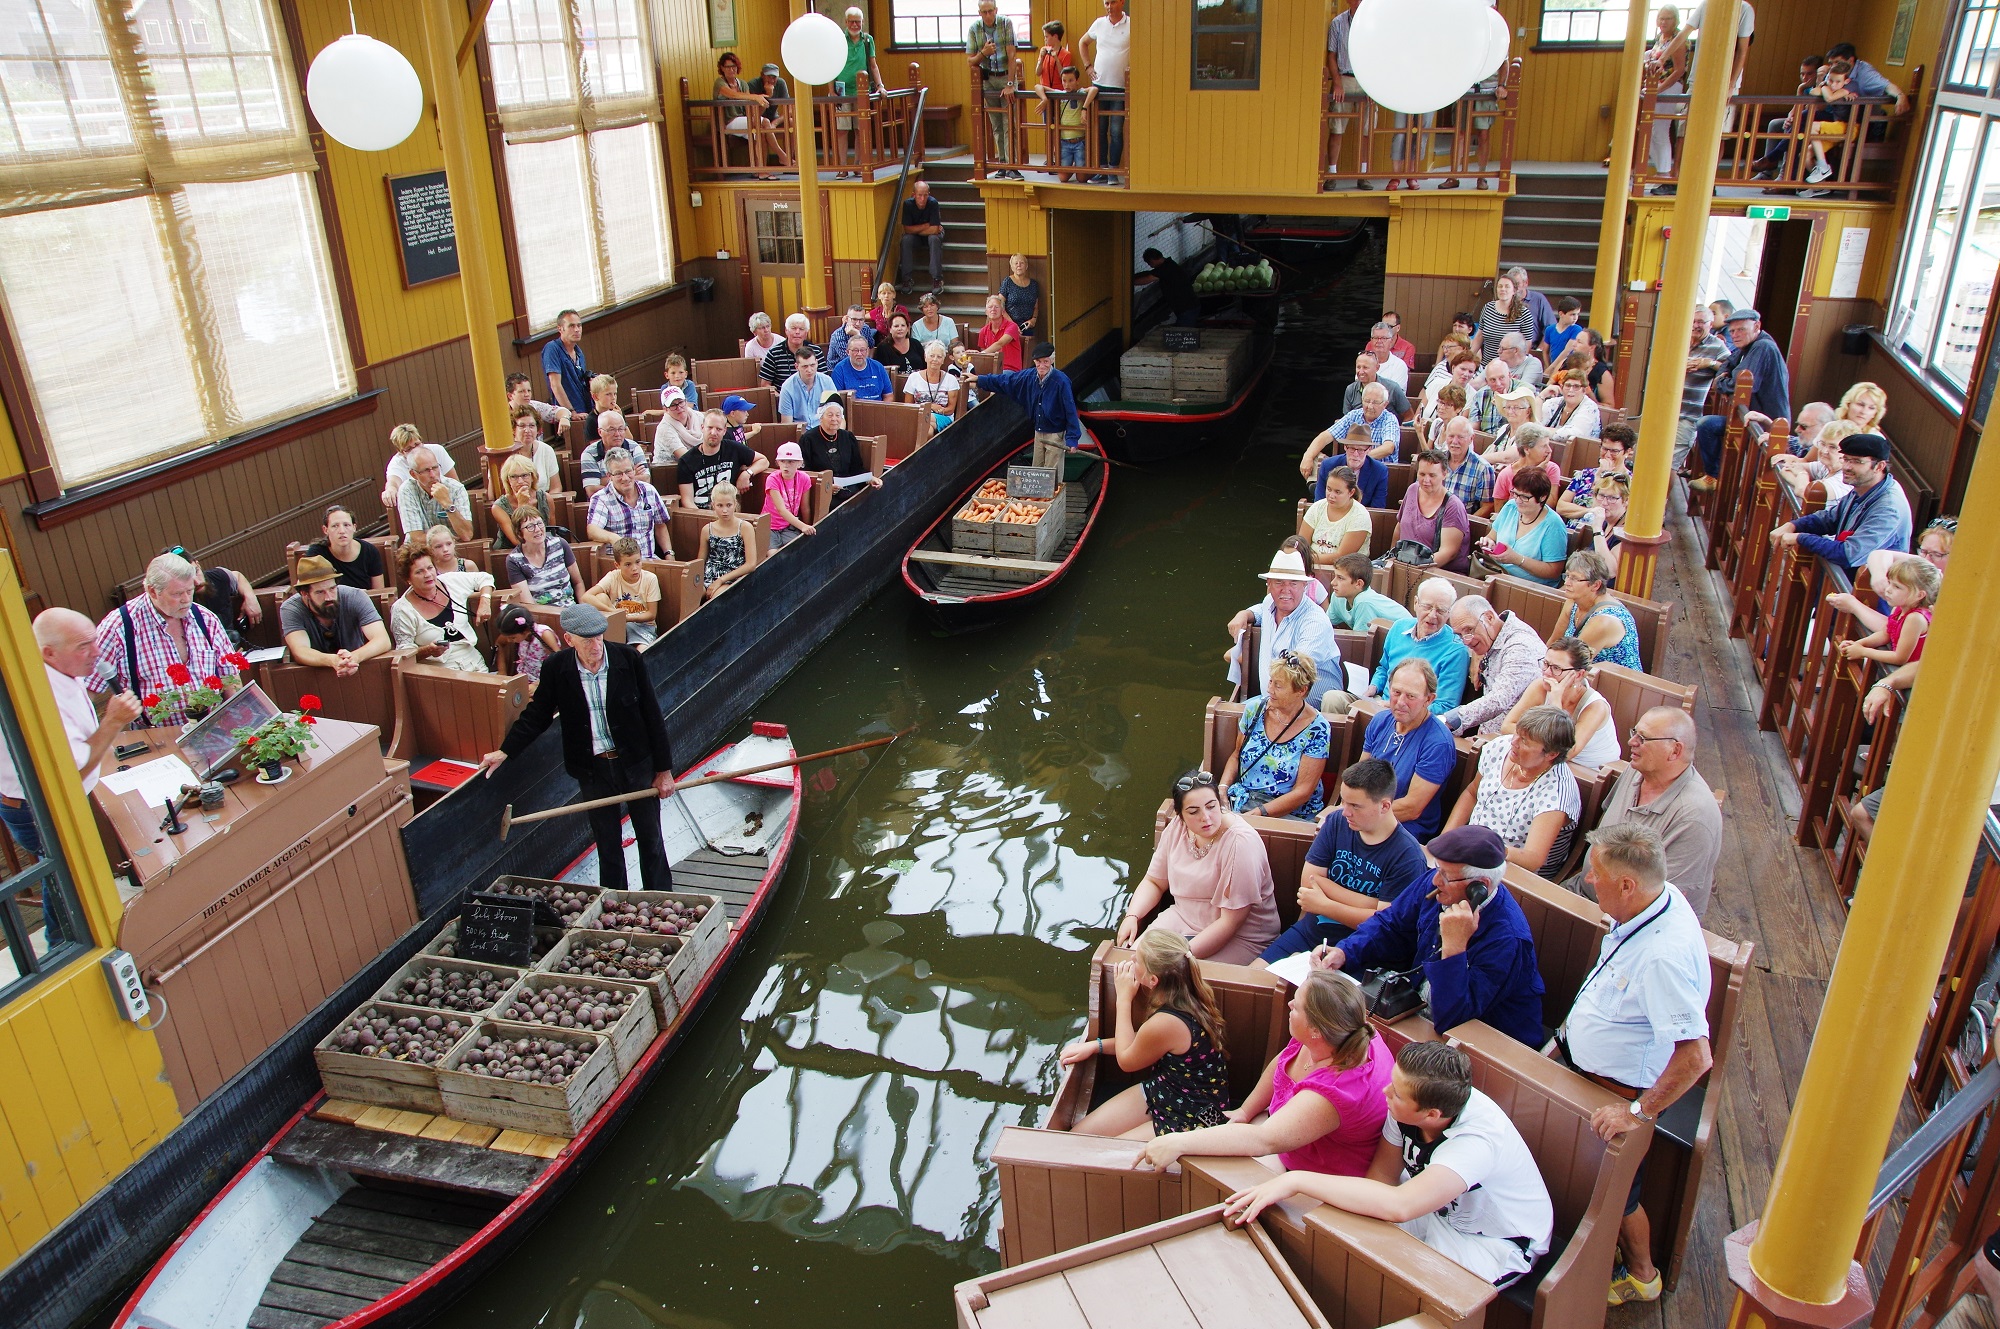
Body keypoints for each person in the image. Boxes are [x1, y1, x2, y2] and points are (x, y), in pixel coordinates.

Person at [1221, 1040, 1554, 1288]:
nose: (1385, 1092)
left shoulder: (1476, 1143)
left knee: (1402, 1286)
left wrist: (1294, 1182)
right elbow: (1381, 1179)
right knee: (1340, 1237)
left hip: (1494, 1241)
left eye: (1396, 1093)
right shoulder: (1406, 1107)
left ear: (1431, 1115)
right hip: (1434, 1210)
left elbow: (1399, 1206)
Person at [1554, 822, 1713, 1306]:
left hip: (1620, 1091)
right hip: (1592, 1070)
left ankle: (1643, 1275)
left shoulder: (1663, 956)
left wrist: (1638, 1114)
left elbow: (1695, 1057)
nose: (1586, 880)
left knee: (1618, 1197)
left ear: (1628, 884)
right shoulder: (1653, 898)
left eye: (1595, 873)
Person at [480, 603, 676, 893]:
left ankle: (660, 898)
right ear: (569, 640)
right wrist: (505, 750)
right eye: (587, 640)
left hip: (635, 764)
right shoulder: (556, 668)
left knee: (651, 840)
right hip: (593, 770)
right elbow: (538, 715)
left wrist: (663, 771)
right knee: (608, 844)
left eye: (598, 637)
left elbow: (652, 715)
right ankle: (615, 904)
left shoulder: (628, 659)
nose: (596, 645)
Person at [1141, 969, 1393, 1179]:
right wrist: (1245, 1111)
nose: (1291, 1004)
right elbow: (1282, 1064)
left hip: (1312, 1173)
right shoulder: (1342, 1032)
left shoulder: (1336, 1090)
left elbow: (1265, 1140)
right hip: (1280, 1129)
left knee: (1206, 1173)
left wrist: (1178, 1141)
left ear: (1316, 1029)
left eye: (1297, 1005)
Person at [1316, 824, 1547, 1047]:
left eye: (1446, 875)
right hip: (1419, 1009)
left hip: (1490, 1047)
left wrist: (1454, 948)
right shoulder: (1437, 884)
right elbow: (1390, 923)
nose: (1436, 881)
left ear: (1480, 887)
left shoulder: (1507, 939)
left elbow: (1452, 1019)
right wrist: (1345, 951)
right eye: (1437, 869)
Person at [1059, 928, 1232, 1138]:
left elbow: (1127, 1060)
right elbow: (1143, 1043)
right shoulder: (1186, 991)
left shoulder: (1167, 1022)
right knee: (1077, 1138)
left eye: (1138, 960)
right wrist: (1096, 1045)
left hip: (1193, 1112)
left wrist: (1123, 998)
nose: (1132, 959)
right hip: (1168, 1087)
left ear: (1153, 980)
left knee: (1105, 1154)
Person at [1259, 759, 1429, 963]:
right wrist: (1371, 905)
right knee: (1254, 977)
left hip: (1364, 950)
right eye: (1344, 802)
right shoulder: (1337, 822)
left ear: (1384, 806)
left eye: (1355, 806)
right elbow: (1310, 881)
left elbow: (1384, 922)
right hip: (1310, 932)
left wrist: (1325, 905)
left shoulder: (1407, 856)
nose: (1346, 811)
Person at [0, 609, 141, 855]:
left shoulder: (56, 669)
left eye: (95, 641)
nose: (97, 652)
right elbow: (72, 774)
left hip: (55, 798)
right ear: (49, 652)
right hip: (38, 808)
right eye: (84, 646)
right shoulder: (41, 697)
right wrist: (114, 721)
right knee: (68, 884)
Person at [1116, 769, 1282, 964]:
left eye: (1211, 807)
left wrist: (1179, 957)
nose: (1206, 817)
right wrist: (1132, 916)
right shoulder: (1177, 828)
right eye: (1193, 812)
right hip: (1182, 917)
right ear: (1180, 815)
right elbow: (1154, 881)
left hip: (1240, 935)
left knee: (1163, 971)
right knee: (1130, 962)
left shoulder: (1240, 842)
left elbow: (1231, 922)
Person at [1573, 708, 1722, 915]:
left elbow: (1659, 904)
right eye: (1634, 733)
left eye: (1643, 738)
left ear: (1675, 751)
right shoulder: (1636, 770)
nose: (1631, 742)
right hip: (1581, 892)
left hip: (1628, 923)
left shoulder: (1695, 816)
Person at [91, 553, 240, 724]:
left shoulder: (205, 618)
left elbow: (230, 677)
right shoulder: (119, 627)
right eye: (177, 594)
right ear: (152, 591)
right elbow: (88, 689)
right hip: (156, 737)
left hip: (214, 729)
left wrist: (237, 723)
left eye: (189, 591)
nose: (186, 600)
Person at [1447, 704, 1582, 874]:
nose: (1513, 741)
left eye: (1524, 740)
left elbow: (1533, 858)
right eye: (1517, 733)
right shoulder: (1500, 747)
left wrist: (1489, 849)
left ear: (1551, 754)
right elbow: (1472, 793)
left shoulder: (1556, 792)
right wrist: (1446, 839)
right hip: (1469, 852)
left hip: (1515, 875)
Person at [1769, 431, 1912, 571]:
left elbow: (1848, 555)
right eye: (1846, 459)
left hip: (1867, 591)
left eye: (1857, 461)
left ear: (1879, 466)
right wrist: (1793, 525)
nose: (1847, 467)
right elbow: (1830, 518)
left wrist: (1801, 538)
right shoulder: (1864, 486)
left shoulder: (1888, 508)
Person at [1220, 652, 1332, 821]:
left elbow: (1302, 792)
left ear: (1301, 690)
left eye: (1278, 686)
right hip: (1245, 801)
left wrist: (1257, 814)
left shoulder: (1318, 729)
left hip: (1290, 814)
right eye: (1271, 681)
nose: (1269, 689)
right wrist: (1222, 789)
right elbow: (1236, 756)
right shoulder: (1253, 709)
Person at [1226, 549, 1343, 709]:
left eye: (1293, 583)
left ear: (1305, 586)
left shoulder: (1315, 621)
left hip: (1308, 705)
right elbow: (1261, 610)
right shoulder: (1270, 602)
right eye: (1279, 582)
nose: (1285, 589)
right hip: (1273, 696)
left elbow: (1296, 670)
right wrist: (1244, 614)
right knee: (1231, 715)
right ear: (1269, 584)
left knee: (1241, 717)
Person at [1692, 309, 1791, 487]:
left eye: (1741, 330)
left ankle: (1721, 484)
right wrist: (1724, 378)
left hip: (1766, 425)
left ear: (1757, 327)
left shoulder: (1763, 347)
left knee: (1757, 479)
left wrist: (1722, 382)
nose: (1736, 335)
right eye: (1732, 331)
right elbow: (1727, 366)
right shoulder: (1747, 346)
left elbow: (1741, 384)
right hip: (1750, 419)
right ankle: (1714, 477)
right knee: (1706, 425)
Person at [1362, 659, 1459, 841]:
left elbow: (1412, 808)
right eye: (1396, 692)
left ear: (1429, 700)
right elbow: (1360, 777)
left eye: (1411, 696)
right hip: (1366, 814)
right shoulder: (1380, 721)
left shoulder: (1438, 743)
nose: (1400, 702)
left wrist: (1363, 815)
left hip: (1406, 828)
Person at [1502, 638, 1621, 768]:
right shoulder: (1540, 686)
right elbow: (1507, 726)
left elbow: (1566, 752)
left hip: (1590, 773)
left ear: (1579, 675)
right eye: (1546, 664)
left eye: (1556, 668)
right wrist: (1537, 742)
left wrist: (1555, 703)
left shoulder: (1596, 707)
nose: (1547, 672)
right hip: (1547, 758)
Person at [1442, 596, 1544, 736]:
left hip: (1513, 743)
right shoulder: (1492, 636)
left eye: (1469, 630)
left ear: (1489, 617)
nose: (1466, 641)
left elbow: (1498, 700)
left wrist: (1448, 720)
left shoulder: (1521, 647)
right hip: (1487, 737)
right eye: (1460, 635)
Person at [1370, 581, 1471, 716]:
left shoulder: (1456, 651)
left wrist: (1396, 706)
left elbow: (1445, 706)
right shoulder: (1399, 627)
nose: (1432, 615)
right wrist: (1373, 687)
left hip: (1414, 718)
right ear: (1416, 603)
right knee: (1335, 699)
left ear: (1449, 613)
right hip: (1379, 703)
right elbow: (1383, 668)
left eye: (1441, 610)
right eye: (1427, 607)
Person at [280, 556, 391, 677]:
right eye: (320, 592)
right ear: (305, 594)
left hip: (358, 670)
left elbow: (382, 640)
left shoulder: (355, 596)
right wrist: (332, 661)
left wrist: (354, 658)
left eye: (332, 588)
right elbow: (300, 651)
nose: (329, 597)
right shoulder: (290, 609)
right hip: (315, 676)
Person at [977, 342, 1080, 471]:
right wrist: (979, 380)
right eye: (1038, 361)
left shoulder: (1061, 381)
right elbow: (1006, 381)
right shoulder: (1029, 376)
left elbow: (1070, 410)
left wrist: (1072, 439)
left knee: (1052, 475)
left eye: (1046, 362)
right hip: (1038, 430)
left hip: (1055, 433)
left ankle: (1054, 491)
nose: (1042, 366)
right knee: (1036, 471)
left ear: (1052, 361)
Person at [391, 544, 492, 672]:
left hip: (473, 662)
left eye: (430, 568)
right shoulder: (401, 610)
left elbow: (485, 578)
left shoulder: (450, 581)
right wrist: (427, 651)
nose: (427, 574)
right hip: (438, 672)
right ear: (408, 579)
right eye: (419, 572)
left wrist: (485, 601)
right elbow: (404, 655)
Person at [1839, 554, 1940, 667]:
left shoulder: (1915, 619)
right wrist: (1857, 644)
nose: (1888, 590)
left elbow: (1899, 657)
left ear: (1919, 595)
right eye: (1890, 583)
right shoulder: (1899, 608)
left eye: (1897, 587)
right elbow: (1885, 634)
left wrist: (1863, 652)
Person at [1552, 550, 1642, 672]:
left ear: (1595, 585)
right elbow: (1554, 642)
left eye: (1574, 579)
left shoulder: (1602, 622)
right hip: (1582, 676)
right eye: (1567, 575)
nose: (1566, 583)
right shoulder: (1573, 601)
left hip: (1616, 685)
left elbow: (1572, 665)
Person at [1478, 468, 1567, 587]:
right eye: (1515, 494)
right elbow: (1492, 537)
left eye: (1525, 497)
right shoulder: (1510, 507)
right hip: (1496, 575)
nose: (1518, 500)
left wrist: (1517, 559)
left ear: (1542, 497)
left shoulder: (1554, 525)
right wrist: (1488, 543)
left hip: (1530, 588)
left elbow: (1553, 571)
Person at [1302, 394, 1397, 497]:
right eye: (1367, 401)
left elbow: (1389, 447)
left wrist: (1361, 457)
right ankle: (1320, 486)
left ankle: (1324, 486)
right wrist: (1307, 456)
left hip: (1374, 466)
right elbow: (1326, 435)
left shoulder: (1389, 419)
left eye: (1375, 402)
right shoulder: (1353, 415)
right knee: (1318, 457)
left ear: (1385, 404)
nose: (1370, 406)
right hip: (1347, 463)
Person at [587, 447, 672, 557]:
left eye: (628, 471)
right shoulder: (601, 499)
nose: (625, 478)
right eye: (618, 474)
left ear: (634, 470)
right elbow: (592, 530)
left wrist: (669, 553)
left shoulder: (649, 490)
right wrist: (614, 538)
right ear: (609, 476)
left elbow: (660, 525)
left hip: (649, 559)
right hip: (619, 565)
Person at [676, 409, 767, 513]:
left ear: (724, 431)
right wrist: (705, 519)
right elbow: (687, 501)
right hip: (702, 515)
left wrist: (747, 474)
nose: (713, 432)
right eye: (710, 427)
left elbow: (763, 460)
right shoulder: (686, 460)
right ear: (702, 428)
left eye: (718, 429)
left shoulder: (733, 448)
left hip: (729, 513)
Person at [967, 0, 1019, 175]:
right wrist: (983, 53)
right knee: (996, 124)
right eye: (984, 12)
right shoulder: (974, 28)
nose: (988, 15)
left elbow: (1012, 56)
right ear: (979, 12)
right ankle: (1002, 165)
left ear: (996, 10)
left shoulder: (1006, 23)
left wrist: (1010, 84)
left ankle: (1012, 165)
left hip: (1006, 76)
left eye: (990, 11)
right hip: (988, 79)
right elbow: (970, 61)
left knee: (1008, 123)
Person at [713, 54, 787, 177]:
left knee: (761, 130)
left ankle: (761, 171)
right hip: (728, 122)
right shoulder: (720, 82)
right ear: (722, 68)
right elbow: (733, 95)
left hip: (744, 119)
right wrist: (755, 96)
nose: (731, 70)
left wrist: (766, 96)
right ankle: (782, 156)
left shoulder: (742, 83)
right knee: (764, 122)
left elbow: (752, 112)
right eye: (728, 67)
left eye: (734, 67)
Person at [834, 5, 887, 175]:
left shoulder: (867, 40)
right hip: (841, 92)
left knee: (859, 128)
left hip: (861, 92)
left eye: (858, 22)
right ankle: (842, 167)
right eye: (851, 22)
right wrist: (831, 91)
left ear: (862, 22)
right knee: (842, 130)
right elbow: (831, 66)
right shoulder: (838, 39)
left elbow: (873, 65)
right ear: (846, 22)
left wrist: (880, 85)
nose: (855, 25)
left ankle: (858, 165)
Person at [1081, 0, 1130, 180]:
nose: (1109, 6)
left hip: (1120, 88)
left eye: (1113, 2)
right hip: (1099, 87)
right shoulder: (1099, 23)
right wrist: (1088, 67)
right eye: (1106, 3)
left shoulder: (1131, 24)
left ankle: (1113, 171)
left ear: (1122, 2)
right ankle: (1102, 170)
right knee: (1100, 130)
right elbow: (1083, 42)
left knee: (1116, 131)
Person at [801, 401, 883, 506]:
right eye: (830, 415)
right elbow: (805, 473)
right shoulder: (808, 439)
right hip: (823, 491)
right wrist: (827, 487)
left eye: (838, 415)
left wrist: (870, 479)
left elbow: (856, 468)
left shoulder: (848, 437)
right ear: (820, 418)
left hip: (849, 487)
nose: (834, 419)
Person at [583, 537, 662, 645]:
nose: (634, 568)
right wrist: (613, 613)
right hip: (618, 623)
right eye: (628, 564)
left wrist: (628, 618)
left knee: (642, 653)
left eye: (638, 562)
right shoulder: (613, 576)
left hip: (642, 626)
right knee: (600, 597)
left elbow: (651, 614)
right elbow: (586, 596)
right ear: (617, 565)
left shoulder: (650, 579)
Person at [505, 512, 583, 608]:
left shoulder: (560, 544)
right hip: (544, 615)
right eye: (530, 526)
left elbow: (578, 582)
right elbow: (529, 605)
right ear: (519, 533)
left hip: (571, 609)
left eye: (540, 523)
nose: (537, 529)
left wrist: (584, 609)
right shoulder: (514, 560)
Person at [697, 481, 759, 599]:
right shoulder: (707, 529)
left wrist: (721, 580)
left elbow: (751, 564)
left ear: (735, 504)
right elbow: (700, 561)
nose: (724, 510)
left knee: (718, 597)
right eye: (720, 505)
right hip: (709, 576)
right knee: (691, 596)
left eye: (728, 505)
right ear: (713, 505)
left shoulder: (745, 527)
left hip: (733, 577)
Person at [397, 448, 471, 545]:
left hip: (452, 551)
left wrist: (448, 505)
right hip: (421, 552)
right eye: (426, 470)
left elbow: (466, 535)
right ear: (413, 474)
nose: (432, 475)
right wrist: (449, 540)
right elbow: (417, 538)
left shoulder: (456, 488)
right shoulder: (407, 490)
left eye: (435, 468)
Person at [1558, 423, 1632, 520]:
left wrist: (1603, 479)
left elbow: (1617, 515)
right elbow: (1561, 506)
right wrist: (1589, 511)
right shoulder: (1585, 474)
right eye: (1605, 449)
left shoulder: (1631, 483)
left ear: (1627, 452)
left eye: (1614, 451)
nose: (1608, 455)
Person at [305, 505, 385, 592]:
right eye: (335, 526)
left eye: (346, 525)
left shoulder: (369, 551)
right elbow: (310, 589)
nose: (342, 531)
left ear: (354, 527)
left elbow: (379, 592)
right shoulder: (316, 553)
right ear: (325, 530)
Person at [380, 422, 458, 509]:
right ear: (401, 452)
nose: (415, 450)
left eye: (417, 444)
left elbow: (455, 483)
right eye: (409, 449)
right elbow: (393, 481)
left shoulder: (437, 450)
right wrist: (391, 489)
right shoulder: (396, 463)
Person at [1302, 466, 1372, 561]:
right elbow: (1302, 545)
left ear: (1351, 492)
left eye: (1337, 492)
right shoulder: (1317, 507)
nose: (1331, 496)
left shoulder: (1360, 516)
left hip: (1346, 570)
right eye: (1329, 489)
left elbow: (1341, 557)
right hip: (1309, 565)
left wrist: (1306, 560)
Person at [1326, 553, 1412, 631]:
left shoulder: (1364, 602)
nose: (1333, 582)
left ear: (1359, 584)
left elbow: (1361, 641)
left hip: (1407, 636)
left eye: (1340, 578)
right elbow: (1327, 624)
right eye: (1335, 576)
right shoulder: (1337, 596)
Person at [578, 411, 650, 493]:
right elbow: (592, 490)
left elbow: (645, 479)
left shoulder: (634, 447)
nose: (617, 434)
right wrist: (631, 476)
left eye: (621, 429)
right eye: (611, 430)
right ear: (600, 432)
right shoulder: (589, 453)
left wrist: (604, 480)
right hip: (604, 503)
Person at [1438, 417, 1496, 519]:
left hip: (1461, 526)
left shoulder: (1483, 468)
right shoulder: (1437, 461)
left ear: (1471, 438)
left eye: (1460, 437)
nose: (1454, 441)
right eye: (1451, 436)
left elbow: (1488, 506)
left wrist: (1465, 523)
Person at [1472, 273, 1538, 362]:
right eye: (1500, 286)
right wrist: (1470, 356)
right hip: (1487, 365)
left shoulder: (1524, 314)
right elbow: (1479, 336)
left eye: (1507, 286)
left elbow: (1527, 344)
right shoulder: (1488, 308)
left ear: (1514, 291)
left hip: (1510, 367)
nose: (1503, 289)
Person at [490, 455, 550, 553]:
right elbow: (518, 540)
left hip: (541, 548)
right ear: (508, 480)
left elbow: (550, 532)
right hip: (510, 553)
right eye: (514, 477)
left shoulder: (546, 498)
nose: (520, 481)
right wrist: (522, 505)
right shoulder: (498, 507)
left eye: (525, 475)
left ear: (532, 477)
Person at [1490, 424, 1560, 507]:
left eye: (1548, 445)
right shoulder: (1505, 475)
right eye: (1543, 446)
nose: (1549, 450)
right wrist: (1533, 474)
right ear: (1526, 449)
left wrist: (1538, 474)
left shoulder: (1551, 469)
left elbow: (1550, 504)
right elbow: (1501, 511)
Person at [764, 442, 817, 550]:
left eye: (791, 462)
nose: (786, 465)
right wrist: (802, 526)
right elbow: (781, 509)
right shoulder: (772, 479)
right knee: (773, 555)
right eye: (782, 461)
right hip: (770, 527)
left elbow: (805, 507)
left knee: (800, 549)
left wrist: (807, 526)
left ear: (800, 463)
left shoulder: (804, 478)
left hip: (789, 526)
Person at [493, 603, 562, 685]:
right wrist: (502, 672)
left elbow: (559, 664)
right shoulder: (514, 632)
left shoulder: (544, 634)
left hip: (546, 681)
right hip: (523, 678)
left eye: (512, 638)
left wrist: (538, 685)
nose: (508, 640)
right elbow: (500, 643)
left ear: (526, 631)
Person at [905, 339, 962, 432]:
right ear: (925, 357)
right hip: (919, 416)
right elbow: (908, 406)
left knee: (923, 421)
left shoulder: (951, 379)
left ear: (943, 360)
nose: (935, 359)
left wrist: (935, 411)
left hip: (943, 416)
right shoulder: (913, 377)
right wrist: (930, 406)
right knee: (928, 431)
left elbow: (950, 410)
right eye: (932, 356)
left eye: (939, 357)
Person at [1051, 63, 1095, 181]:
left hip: (1079, 141)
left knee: (1081, 178)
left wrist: (1084, 108)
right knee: (1063, 178)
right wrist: (1044, 99)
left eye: (1071, 80)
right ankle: (1074, 167)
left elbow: (1094, 89)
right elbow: (1038, 87)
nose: (1067, 84)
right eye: (1064, 81)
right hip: (1065, 142)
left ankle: (1083, 169)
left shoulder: (1080, 92)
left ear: (1077, 81)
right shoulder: (1059, 95)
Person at [1136, 247, 1200, 326]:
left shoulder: (1165, 268)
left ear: (1152, 260)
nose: (1150, 266)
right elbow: (1149, 273)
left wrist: (1126, 282)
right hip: (1187, 307)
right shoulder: (1168, 264)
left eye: (1149, 263)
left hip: (1187, 308)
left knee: (1184, 332)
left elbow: (1147, 279)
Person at [542, 308, 589, 416]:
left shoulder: (578, 352)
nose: (577, 329)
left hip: (584, 410)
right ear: (560, 328)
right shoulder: (552, 349)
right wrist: (571, 412)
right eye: (571, 326)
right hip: (567, 415)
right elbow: (555, 384)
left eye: (579, 325)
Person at [758, 314, 821, 389]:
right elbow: (765, 385)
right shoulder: (774, 353)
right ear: (786, 331)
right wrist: (782, 397)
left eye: (801, 329)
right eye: (793, 328)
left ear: (806, 333)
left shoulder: (816, 351)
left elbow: (823, 381)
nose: (797, 332)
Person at [506, 371, 572, 441]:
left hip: (537, 449)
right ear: (510, 396)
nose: (527, 394)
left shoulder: (535, 406)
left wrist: (564, 418)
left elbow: (559, 411)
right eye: (521, 391)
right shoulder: (503, 415)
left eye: (529, 390)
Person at [1345, 353, 1413, 418]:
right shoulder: (1350, 389)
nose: (1361, 371)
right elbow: (1346, 418)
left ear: (1377, 368)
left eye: (1365, 367)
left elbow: (1409, 416)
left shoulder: (1393, 388)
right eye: (1358, 367)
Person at [1540, 369, 1601, 441]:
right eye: (1568, 385)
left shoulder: (1590, 408)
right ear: (1562, 387)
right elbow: (1534, 422)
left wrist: (1539, 431)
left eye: (1576, 386)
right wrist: (1541, 397)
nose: (1571, 390)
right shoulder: (1554, 402)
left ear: (1584, 390)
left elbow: (1573, 435)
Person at [831, 334, 894, 401]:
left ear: (867, 351)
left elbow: (888, 396)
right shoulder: (839, 370)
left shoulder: (878, 367)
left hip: (877, 408)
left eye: (862, 350)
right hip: (852, 409)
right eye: (855, 350)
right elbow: (838, 399)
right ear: (848, 352)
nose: (859, 354)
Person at [975, 293, 1024, 371]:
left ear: (1002, 311)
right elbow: (985, 356)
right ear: (986, 312)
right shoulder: (983, 331)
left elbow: (1000, 344)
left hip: (1010, 370)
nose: (993, 309)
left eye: (996, 307)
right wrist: (974, 354)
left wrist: (980, 354)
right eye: (990, 307)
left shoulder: (1012, 326)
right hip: (991, 370)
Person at [652, 389, 703, 461]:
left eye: (681, 402)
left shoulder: (699, 417)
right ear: (666, 409)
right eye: (673, 405)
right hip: (668, 469)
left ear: (686, 402)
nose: (679, 408)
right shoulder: (664, 428)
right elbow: (686, 457)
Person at [1000, 253, 1041, 340]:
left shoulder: (1034, 284)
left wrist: (1033, 319)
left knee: (1027, 351)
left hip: (1027, 327)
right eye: (1016, 263)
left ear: (1026, 266)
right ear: (1012, 267)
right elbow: (1000, 306)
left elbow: (1036, 306)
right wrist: (1013, 325)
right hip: (1009, 326)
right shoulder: (1007, 282)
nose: (1019, 265)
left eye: (1021, 263)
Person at [1362, 322, 1411, 392]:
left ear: (1391, 341)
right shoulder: (1364, 362)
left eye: (1383, 338)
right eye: (1376, 338)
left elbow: (1395, 394)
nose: (1379, 341)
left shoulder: (1400, 365)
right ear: (1371, 341)